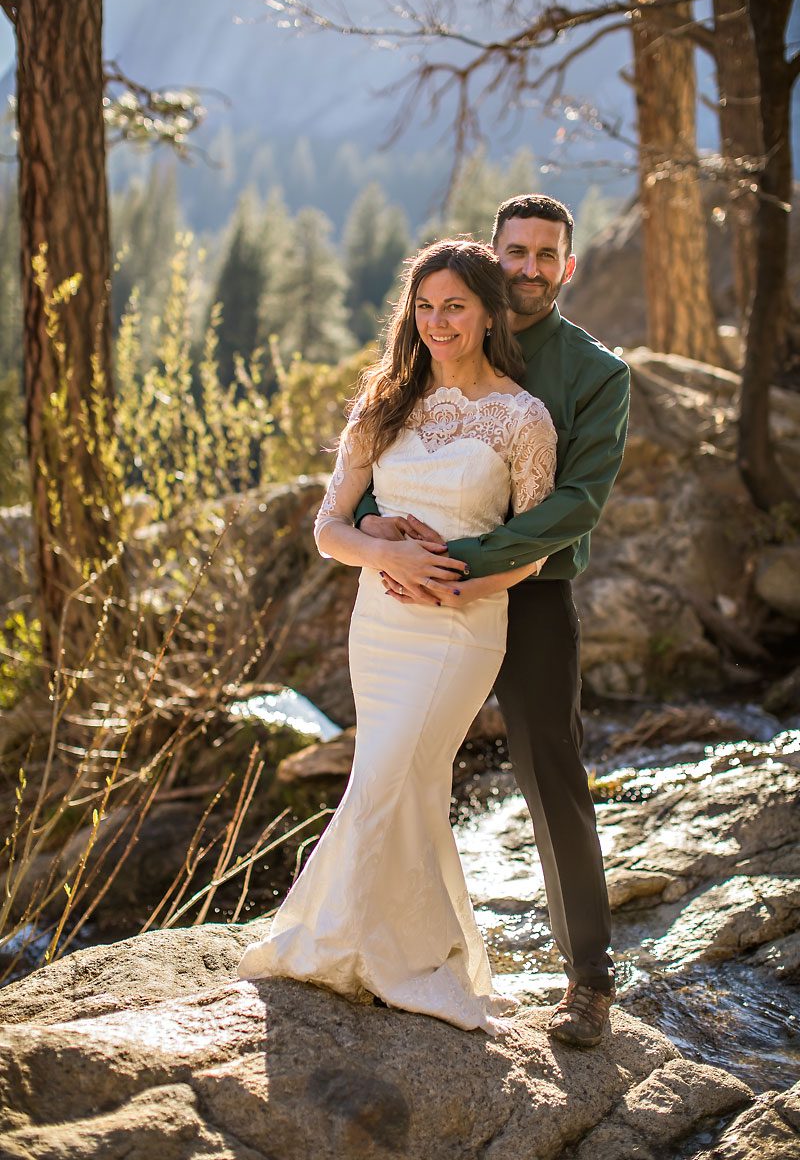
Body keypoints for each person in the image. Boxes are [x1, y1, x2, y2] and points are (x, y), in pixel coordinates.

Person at [238, 239, 558, 1037]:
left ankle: (338, 942)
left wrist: (453, 584)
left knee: (387, 774)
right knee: (406, 784)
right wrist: (382, 550)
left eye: (455, 306)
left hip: (462, 627)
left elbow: (537, 545)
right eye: (425, 306)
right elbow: (328, 528)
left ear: (488, 313)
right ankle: (426, 951)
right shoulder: (386, 402)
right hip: (379, 624)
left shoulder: (524, 418)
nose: (439, 321)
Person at [356, 195, 630, 1048]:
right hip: (411, 603)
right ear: (493, 251)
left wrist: (461, 566)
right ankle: (387, 944)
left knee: (552, 773)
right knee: (398, 763)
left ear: (567, 268)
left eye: (547, 255)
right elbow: (379, 467)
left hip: (532, 600)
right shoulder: (442, 340)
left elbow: (578, 504)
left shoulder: (595, 374)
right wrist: (381, 537)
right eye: (516, 251)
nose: (529, 267)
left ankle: (589, 980)